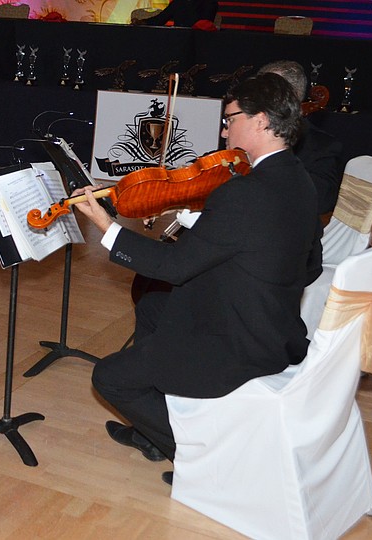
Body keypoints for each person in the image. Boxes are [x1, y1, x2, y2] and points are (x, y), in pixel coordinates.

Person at [72, 73, 323, 484]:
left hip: (237, 344)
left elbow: (174, 267)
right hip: (275, 327)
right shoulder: (299, 180)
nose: (224, 129)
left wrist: (106, 226)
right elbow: (309, 263)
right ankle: (152, 434)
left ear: (260, 120)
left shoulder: (245, 192)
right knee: (154, 307)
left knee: (110, 378)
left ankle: (200, 463)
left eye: (230, 119)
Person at [259, 60, 344, 215]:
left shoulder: (322, 146)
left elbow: (321, 201)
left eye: (267, 93)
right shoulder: (249, 132)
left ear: (294, 97)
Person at [134, 0, 218, 28]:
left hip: (198, 44)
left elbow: (206, 24)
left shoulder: (209, 2)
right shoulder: (179, 2)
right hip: (178, 41)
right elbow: (160, 19)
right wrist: (143, 22)